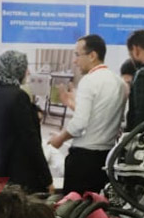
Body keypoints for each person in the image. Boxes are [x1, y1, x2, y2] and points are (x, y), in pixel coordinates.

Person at [50, 34, 126, 195]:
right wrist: (72, 104)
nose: (74, 61)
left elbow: (79, 124)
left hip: (83, 161)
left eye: (77, 55)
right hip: (106, 158)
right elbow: (98, 116)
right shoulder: (119, 82)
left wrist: (59, 139)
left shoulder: (89, 81)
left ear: (92, 55)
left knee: (75, 207)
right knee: (98, 207)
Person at [0, 50, 53, 195]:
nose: (28, 72)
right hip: (20, 176)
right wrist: (47, 178)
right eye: (25, 68)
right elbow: (30, 140)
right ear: (17, 70)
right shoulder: (19, 97)